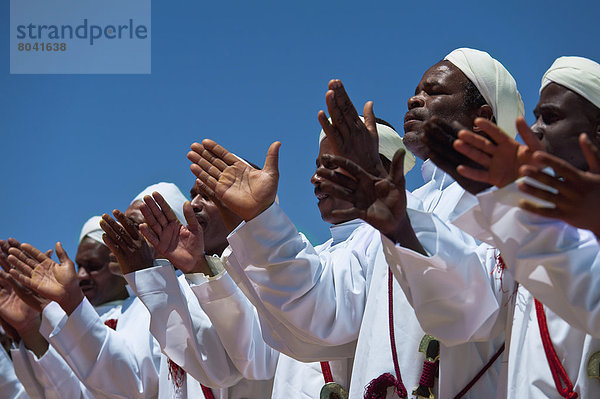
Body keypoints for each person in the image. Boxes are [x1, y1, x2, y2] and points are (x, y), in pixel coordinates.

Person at [312, 48, 523, 398]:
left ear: (481, 116)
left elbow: (471, 312)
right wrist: (258, 226)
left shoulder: (507, 201)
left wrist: (403, 229)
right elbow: (323, 315)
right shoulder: (411, 201)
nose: (414, 99)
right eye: (417, 90)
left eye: (434, 91)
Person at [5, 183, 189, 399]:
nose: (121, 235)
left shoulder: (189, 292)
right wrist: (30, 327)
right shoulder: (133, 309)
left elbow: (130, 387)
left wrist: (68, 302)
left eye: (135, 226)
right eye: (121, 226)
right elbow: (75, 394)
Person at [105, 184, 275, 398]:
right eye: (193, 195)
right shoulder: (181, 285)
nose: (194, 204)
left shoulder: (267, 273)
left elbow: (232, 367)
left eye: (209, 196)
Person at [0, 219, 130, 399]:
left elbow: (128, 387)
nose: (82, 275)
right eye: (79, 266)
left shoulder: (142, 314)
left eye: (93, 266)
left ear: (120, 265)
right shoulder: (67, 321)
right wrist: (28, 328)